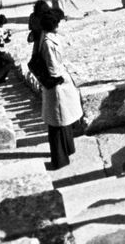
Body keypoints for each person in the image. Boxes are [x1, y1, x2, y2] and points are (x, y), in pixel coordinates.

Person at [36, 9, 83, 170]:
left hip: (59, 85)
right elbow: (52, 67)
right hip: (57, 85)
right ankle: (59, 158)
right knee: (57, 122)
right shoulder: (48, 43)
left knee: (63, 120)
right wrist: (60, 78)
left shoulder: (46, 36)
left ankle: (67, 149)